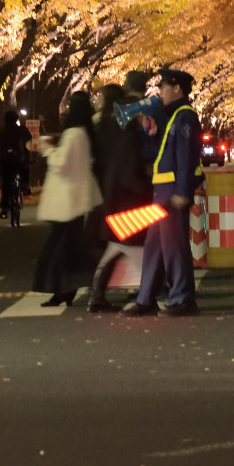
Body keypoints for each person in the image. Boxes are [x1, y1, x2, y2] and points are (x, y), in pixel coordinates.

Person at [132, 68, 204, 317]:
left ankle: (183, 299)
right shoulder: (174, 117)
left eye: (163, 87)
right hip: (163, 192)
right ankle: (146, 299)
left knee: (174, 248)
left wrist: (183, 191)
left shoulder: (185, 116)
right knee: (154, 248)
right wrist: (150, 132)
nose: (160, 91)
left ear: (176, 88)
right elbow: (162, 154)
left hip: (172, 192)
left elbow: (186, 157)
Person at [87, 73, 157, 312]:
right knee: (138, 249)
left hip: (113, 195)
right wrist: (147, 189)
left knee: (118, 247)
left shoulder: (108, 128)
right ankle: (150, 294)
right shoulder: (127, 137)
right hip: (128, 199)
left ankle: (98, 295)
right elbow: (128, 171)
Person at [32, 91, 101, 308]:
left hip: (65, 203)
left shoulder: (72, 135)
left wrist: (48, 149)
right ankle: (67, 290)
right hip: (78, 201)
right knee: (71, 249)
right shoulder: (86, 134)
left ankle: (60, 290)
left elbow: (61, 164)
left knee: (58, 250)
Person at [0, 105, 32, 219]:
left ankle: (4, 207)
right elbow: (29, 138)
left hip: (5, 161)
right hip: (19, 159)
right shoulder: (21, 130)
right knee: (25, 168)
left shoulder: (2, 132)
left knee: (6, 183)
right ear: (16, 119)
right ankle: (25, 186)